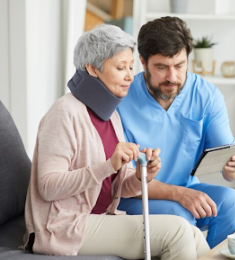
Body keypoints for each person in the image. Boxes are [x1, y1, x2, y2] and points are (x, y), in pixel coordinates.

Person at [22, 24, 209, 259]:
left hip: (99, 217)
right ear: (92, 69)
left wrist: (142, 176)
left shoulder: (111, 115)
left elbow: (120, 188)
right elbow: (48, 187)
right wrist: (108, 165)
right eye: (121, 68)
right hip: (62, 227)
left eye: (131, 67)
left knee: (193, 234)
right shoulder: (63, 113)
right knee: (177, 231)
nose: (131, 75)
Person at [117, 16, 235, 248]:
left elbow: (228, 170)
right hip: (134, 196)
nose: (173, 77)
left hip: (186, 187)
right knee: (179, 217)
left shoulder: (207, 96)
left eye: (179, 66)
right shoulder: (120, 100)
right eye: (161, 67)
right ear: (143, 61)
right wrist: (178, 194)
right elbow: (121, 181)